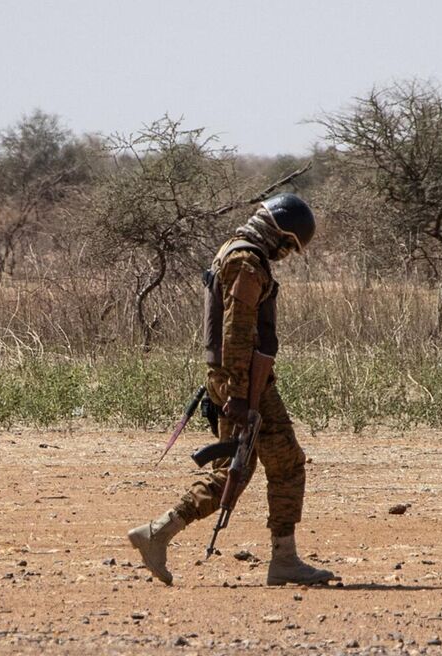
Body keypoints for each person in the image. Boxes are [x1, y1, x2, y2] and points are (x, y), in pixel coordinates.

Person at [127, 193, 337, 587]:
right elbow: (237, 332)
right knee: (286, 464)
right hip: (244, 383)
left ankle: (158, 532)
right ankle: (285, 561)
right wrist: (241, 395)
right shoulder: (247, 262)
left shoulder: (233, 251)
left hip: (231, 380)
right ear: (279, 233)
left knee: (231, 473)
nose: (286, 254)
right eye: (289, 246)